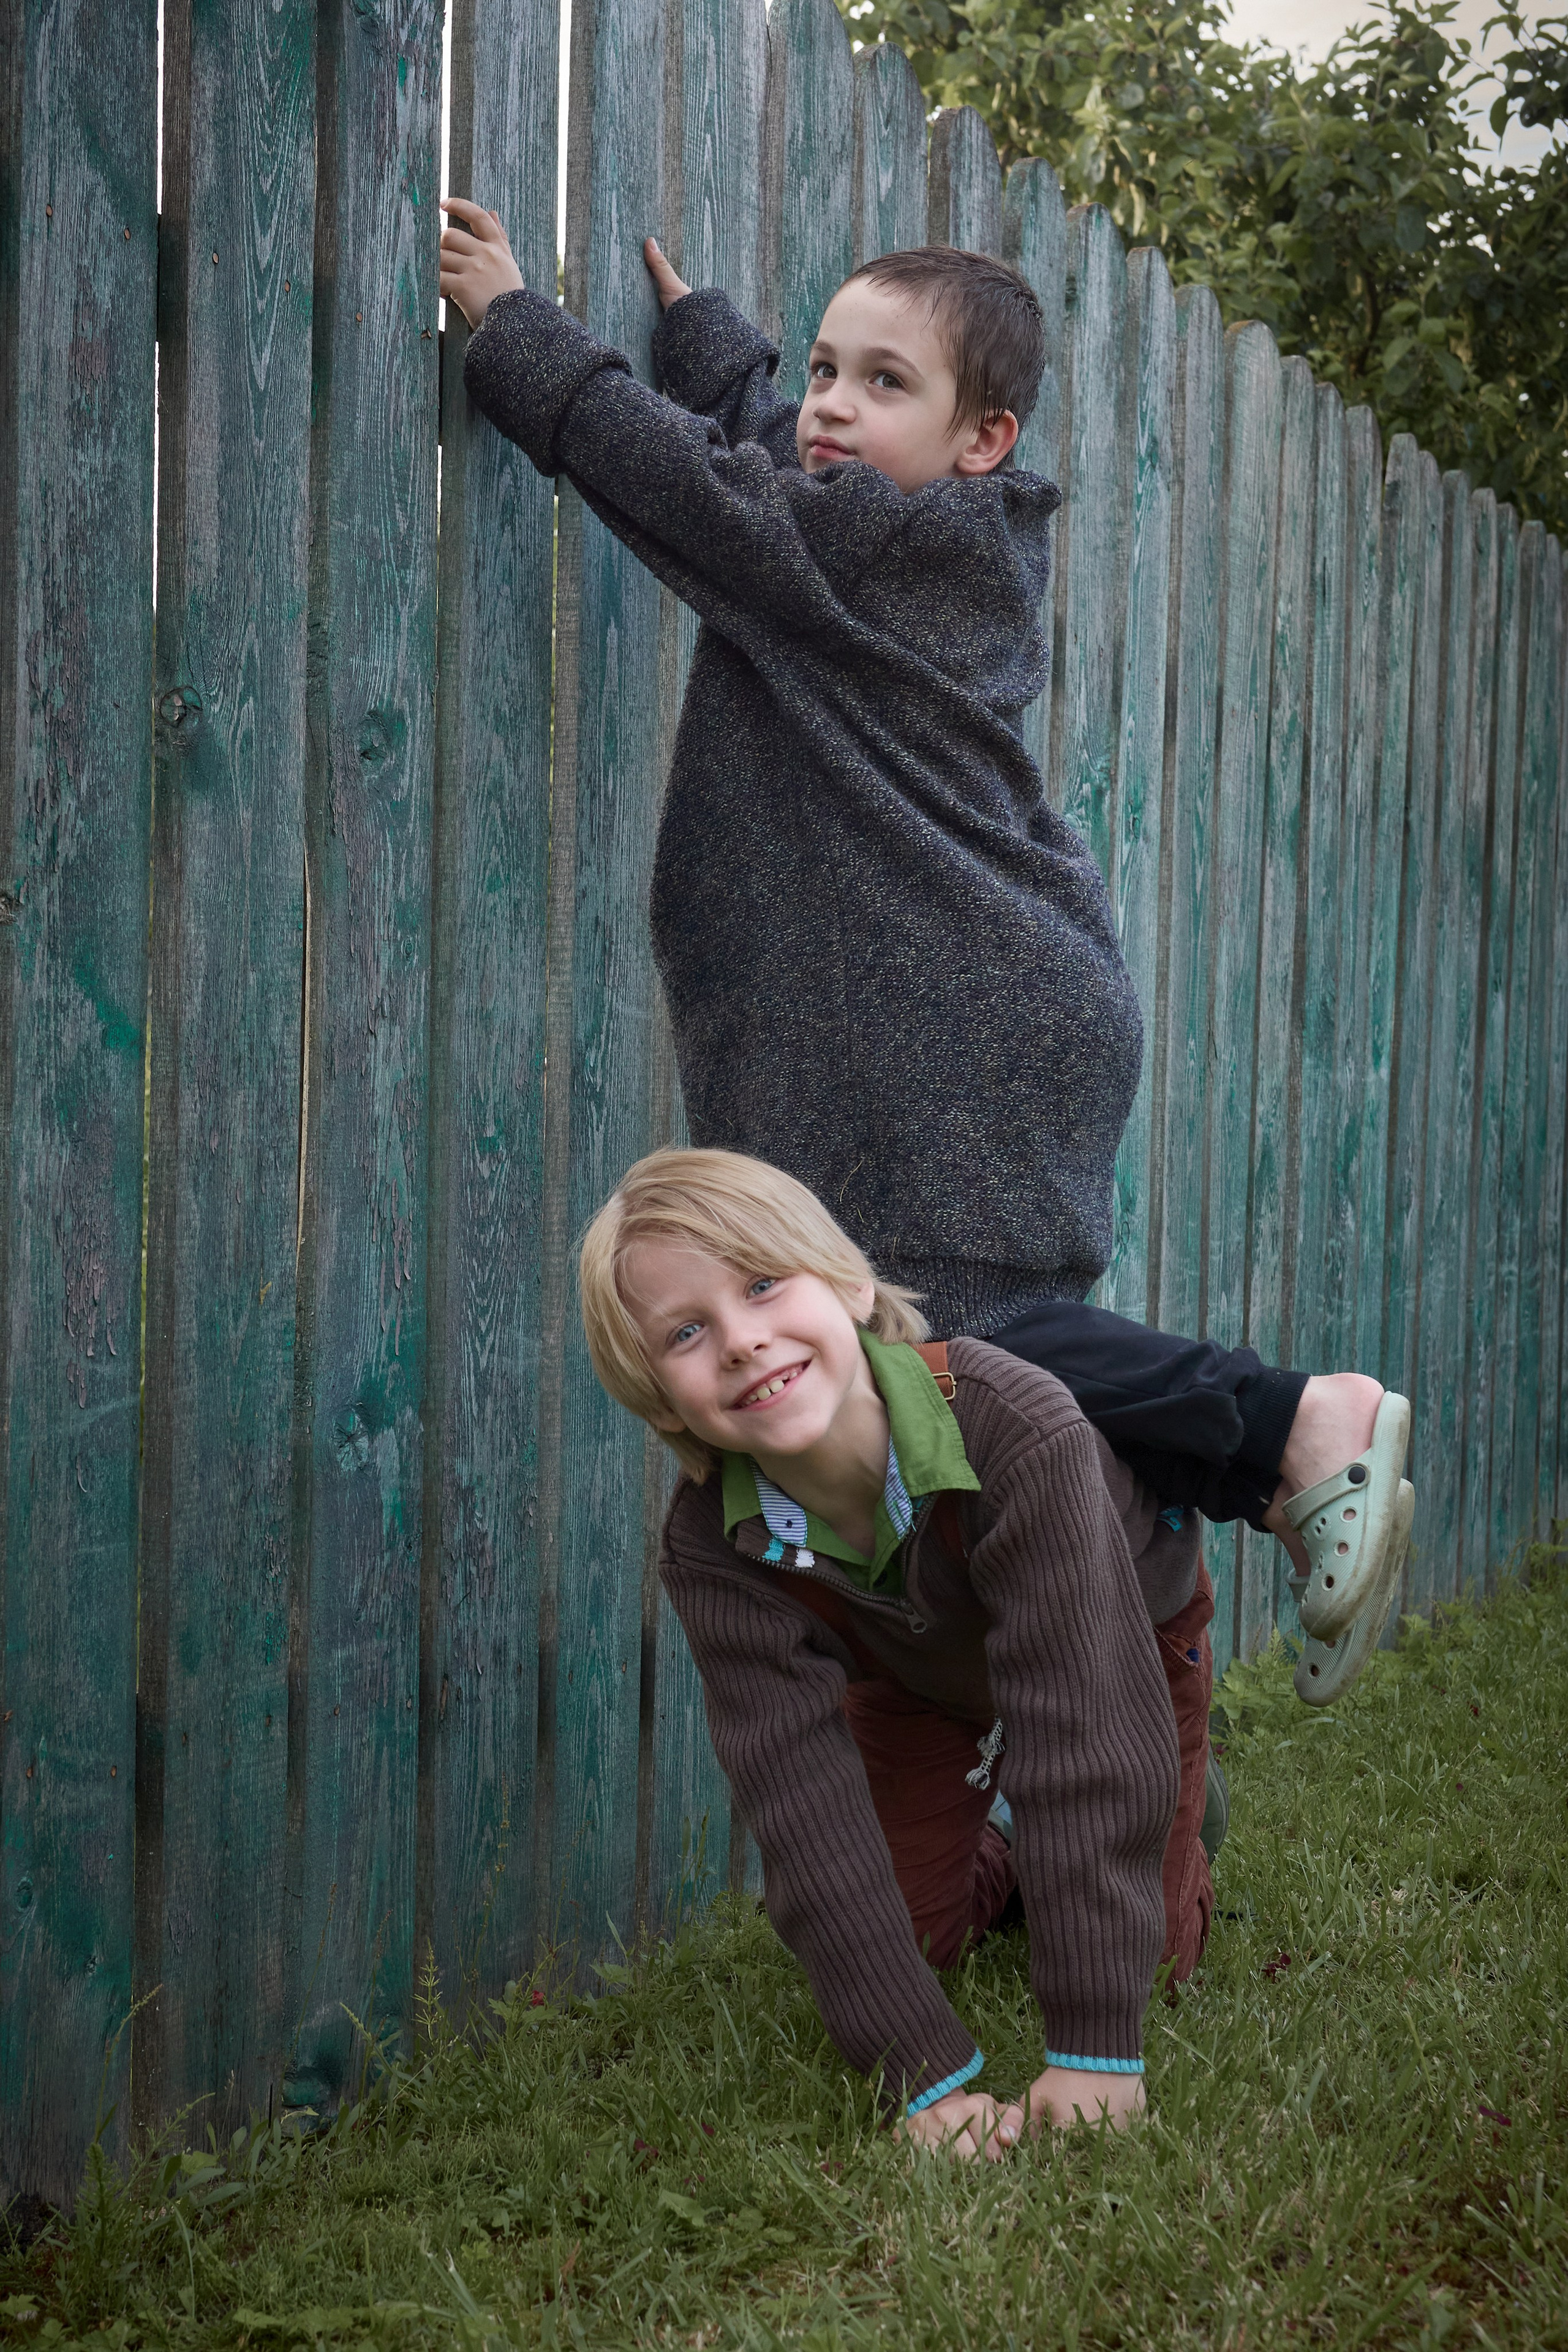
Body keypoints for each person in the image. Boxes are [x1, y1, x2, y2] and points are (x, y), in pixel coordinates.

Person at [437, 202, 1412, 1694]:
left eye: (883, 382)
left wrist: (519, 335)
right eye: (826, 367)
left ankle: (1294, 1424)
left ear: (986, 440)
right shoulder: (902, 535)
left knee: (940, 1342)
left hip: (949, 1008)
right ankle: (1174, 1607)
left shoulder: (889, 550)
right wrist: (721, 351)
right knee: (973, 1365)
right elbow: (775, 458)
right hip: (951, 993)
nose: (829, 401)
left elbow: (712, 501)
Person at [581, 1147, 1257, 2155]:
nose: (742, 1341)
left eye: (765, 1283)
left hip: (1117, 1651)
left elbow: (1081, 1726)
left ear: (850, 1283)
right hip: (920, 1676)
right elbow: (801, 1805)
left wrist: (1092, 2055)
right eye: (686, 1332)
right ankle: (1021, 1833)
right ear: (661, 1399)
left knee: (1144, 1948)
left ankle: (1171, 1808)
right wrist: (923, 2077)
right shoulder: (714, 1547)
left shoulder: (1013, 1427)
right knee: (909, 1936)